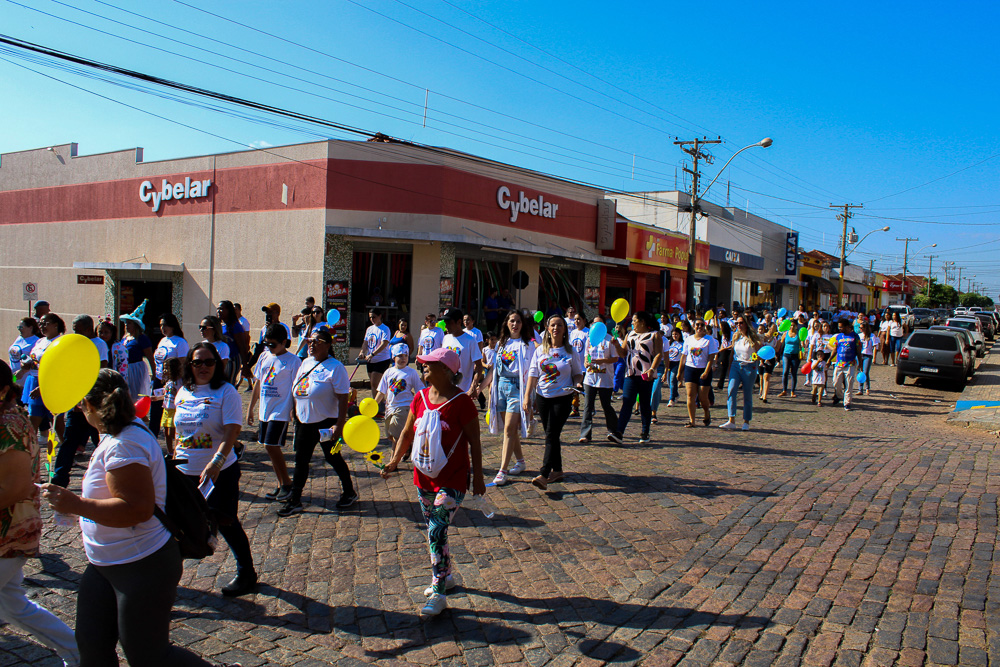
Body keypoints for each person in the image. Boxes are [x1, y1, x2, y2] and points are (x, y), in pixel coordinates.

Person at [40, 369, 218, 665]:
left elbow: (136, 510)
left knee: (149, 657)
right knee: (92, 647)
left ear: (89, 404)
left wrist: (76, 504)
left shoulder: (124, 443)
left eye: (80, 404)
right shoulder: (120, 432)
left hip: (141, 563)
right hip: (105, 563)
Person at [380, 348, 485, 618]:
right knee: (435, 531)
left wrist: (479, 478)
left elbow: (474, 442)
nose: (423, 366)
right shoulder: (420, 398)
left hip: (453, 479)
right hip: (423, 477)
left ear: (447, 370)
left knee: (437, 529)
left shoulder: (462, 402)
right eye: (423, 363)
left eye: (430, 364)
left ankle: (438, 592)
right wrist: (394, 461)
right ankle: (446, 576)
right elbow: (406, 433)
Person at [0, 361, 80, 667]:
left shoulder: (9, 423)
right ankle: (79, 653)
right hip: (10, 530)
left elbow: (14, 486)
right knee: (12, 606)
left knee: (11, 605)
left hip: (9, 530)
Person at [174, 343, 257, 596]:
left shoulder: (226, 391)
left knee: (226, 523)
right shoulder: (183, 391)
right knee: (179, 527)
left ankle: (246, 573)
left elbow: (232, 430)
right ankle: (167, 581)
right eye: (197, 362)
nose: (203, 367)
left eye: (209, 362)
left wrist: (217, 461)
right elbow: (179, 430)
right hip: (185, 472)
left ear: (217, 365)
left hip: (219, 472)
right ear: (190, 365)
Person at [279, 329, 356, 517]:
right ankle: (295, 499)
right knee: (301, 460)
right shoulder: (305, 363)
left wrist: (339, 424)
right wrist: (294, 408)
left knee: (333, 457)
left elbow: (343, 398)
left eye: (316, 341)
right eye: (309, 341)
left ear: (328, 345)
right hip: (304, 422)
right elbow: (297, 387)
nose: (311, 344)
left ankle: (349, 491)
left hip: (326, 424)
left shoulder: (336, 367)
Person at [524, 315, 583, 489]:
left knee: (551, 434)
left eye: (559, 325)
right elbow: (533, 374)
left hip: (563, 398)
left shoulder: (571, 351)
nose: (556, 328)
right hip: (543, 397)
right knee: (552, 434)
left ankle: (544, 474)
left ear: (564, 329)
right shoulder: (540, 350)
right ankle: (557, 470)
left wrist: (578, 383)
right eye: (553, 325)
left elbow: (578, 373)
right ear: (548, 329)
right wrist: (527, 397)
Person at [51, 315, 109, 489]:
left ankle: (107, 476)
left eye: (78, 330)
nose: (75, 333)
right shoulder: (76, 344)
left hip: (93, 402)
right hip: (77, 401)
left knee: (101, 440)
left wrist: (89, 397)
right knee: (69, 440)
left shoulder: (99, 344)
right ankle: (59, 478)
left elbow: (101, 369)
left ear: (88, 329)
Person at [248, 324, 302, 502]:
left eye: (273, 344)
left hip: (280, 410)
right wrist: (251, 408)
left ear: (283, 342)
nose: (269, 347)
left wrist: (295, 409)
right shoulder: (264, 356)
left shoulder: (293, 361)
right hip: (265, 409)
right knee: (267, 446)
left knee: (271, 445)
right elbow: (258, 383)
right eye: (267, 344)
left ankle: (287, 482)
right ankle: (281, 484)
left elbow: (296, 388)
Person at [486, 310, 535, 486]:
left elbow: (532, 371)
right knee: (511, 431)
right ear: (506, 323)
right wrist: (481, 388)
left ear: (523, 324)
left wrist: (528, 396)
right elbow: (494, 370)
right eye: (512, 321)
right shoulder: (502, 343)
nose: (515, 324)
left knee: (508, 428)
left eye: (518, 321)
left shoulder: (528, 345)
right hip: (501, 388)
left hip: (517, 388)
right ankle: (520, 461)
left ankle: (502, 470)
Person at [608, 312, 661, 445]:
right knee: (627, 402)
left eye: (634, 320)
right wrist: (616, 345)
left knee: (644, 403)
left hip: (646, 375)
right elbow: (623, 353)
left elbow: (658, 354)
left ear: (642, 322)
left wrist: (652, 369)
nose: (632, 323)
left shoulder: (654, 335)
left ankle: (645, 431)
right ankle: (619, 432)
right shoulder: (629, 334)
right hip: (631, 374)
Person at [15, 313, 64, 441]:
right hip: (34, 380)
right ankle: (29, 448)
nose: (42, 326)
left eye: (45, 323)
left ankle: (67, 448)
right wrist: (24, 367)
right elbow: (35, 361)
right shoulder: (40, 341)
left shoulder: (60, 342)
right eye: (40, 324)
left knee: (57, 422)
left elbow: (58, 368)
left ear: (55, 325)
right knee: (32, 421)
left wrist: (43, 387)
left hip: (50, 383)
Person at [579, 314, 618, 444]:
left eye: (599, 323)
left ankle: (613, 430)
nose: (596, 326)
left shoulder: (609, 340)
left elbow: (615, 358)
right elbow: (586, 355)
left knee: (606, 405)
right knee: (588, 406)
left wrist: (603, 361)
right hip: (590, 378)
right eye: (594, 324)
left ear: (604, 325)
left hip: (605, 379)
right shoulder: (589, 339)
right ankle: (585, 434)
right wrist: (586, 362)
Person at [376, 343, 423, 449]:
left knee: (397, 437)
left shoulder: (411, 372)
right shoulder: (388, 372)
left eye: (406, 355)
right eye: (400, 356)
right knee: (390, 435)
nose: (403, 358)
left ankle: (395, 457)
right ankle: (407, 447)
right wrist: (374, 404)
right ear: (394, 357)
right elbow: (381, 391)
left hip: (404, 408)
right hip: (390, 408)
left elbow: (419, 390)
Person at [150, 313, 188, 437]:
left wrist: (173, 377)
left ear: (172, 326)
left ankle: (175, 437)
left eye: (165, 325)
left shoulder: (180, 342)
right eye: (161, 325)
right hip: (159, 378)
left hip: (173, 381)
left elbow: (182, 362)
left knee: (170, 410)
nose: (163, 328)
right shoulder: (162, 341)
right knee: (155, 408)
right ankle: (152, 435)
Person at [720, 315, 761, 431]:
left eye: (741, 323)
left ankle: (746, 421)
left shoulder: (753, 338)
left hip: (749, 366)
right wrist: (730, 367)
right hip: (736, 365)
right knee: (731, 390)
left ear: (746, 324)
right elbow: (732, 353)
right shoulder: (735, 336)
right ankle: (731, 420)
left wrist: (757, 357)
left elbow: (760, 353)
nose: (738, 325)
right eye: (737, 323)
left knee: (747, 394)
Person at [680, 318, 718, 427]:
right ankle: (692, 420)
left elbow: (711, 358)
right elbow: (684, 356)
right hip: (690, 369)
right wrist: (680, 371)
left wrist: (706, 371)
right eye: (697, 324)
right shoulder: (689, 339)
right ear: (694, 326)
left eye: (701, 325)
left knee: (702, 397)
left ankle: (706, 412)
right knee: (690, 395)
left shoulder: (709, 339)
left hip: (703, 370)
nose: (699, 327)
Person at [441, 309, 484, 398]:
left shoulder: (470, 340)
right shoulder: (446, 338)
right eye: (445, 323)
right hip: (446, 389)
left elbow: (479, 366)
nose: (446, 326)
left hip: (463, 391)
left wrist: (473, 386)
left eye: (449, 323)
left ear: (459, 322)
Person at [120, 300, 154, 402]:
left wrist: (154, 373)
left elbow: (150, 357)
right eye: (126, 323)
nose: (126, 325)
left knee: (135, 396)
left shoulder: (142, 338)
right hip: (124, 369)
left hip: (135, 369)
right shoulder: (125, 338)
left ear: (136, 325)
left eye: (129, 323)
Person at [830, 319, 862, 410]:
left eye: (841, 327)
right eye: (839, 327)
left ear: (847, 326)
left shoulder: (855, 336)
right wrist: (829, 360)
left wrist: (860, 363)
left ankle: (847, 403)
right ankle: (840, 396)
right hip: (839, 363)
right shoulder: (838, 336)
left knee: (849, 384)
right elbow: (835, 349)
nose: (839, 328)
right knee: (835, 382)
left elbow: (858, 351)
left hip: (850, 364)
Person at [361, 309, 392, 400]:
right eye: (370, 317)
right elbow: (365, 343)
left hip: (381, 360)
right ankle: (379, 402)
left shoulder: (385, 329)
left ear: (379, 316)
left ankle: (378, 404)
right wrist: (362, 352)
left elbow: (384, 343)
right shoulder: (369, 329)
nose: (372, 319)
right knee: (373, 384)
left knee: (375, 383)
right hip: (370, 360)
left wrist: (373, 354)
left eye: (374, 317)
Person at [218, 301, 249, 387]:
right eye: (218, 308)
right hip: (221, 359)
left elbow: (242, 346)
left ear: (228, 310)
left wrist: (245, 365)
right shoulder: (221, 326)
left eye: (221, 309)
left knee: (228, 384)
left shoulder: (235, 326)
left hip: (232, 359)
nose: (218, 311)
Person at [156, 358, 182, 457]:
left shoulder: (179, 382)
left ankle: (176, 450)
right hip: (166, 408)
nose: (164, 370)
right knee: (165, 431)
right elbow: (167, 394)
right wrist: (157, 398)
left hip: (174, 409)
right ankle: (169, 452)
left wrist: (176, 393)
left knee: (172, 432)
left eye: (167, 368)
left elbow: (181, 394)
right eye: (164, 368)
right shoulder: (168, 381)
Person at [568, 313, 589, 418]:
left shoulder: (587, 332)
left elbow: (589, 348)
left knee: (584, 389)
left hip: (584, 366)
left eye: (579, 319)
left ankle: (590, 407)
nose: (576, 321)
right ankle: (575, 409)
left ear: (584, 320)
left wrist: (588, 361)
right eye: (575, 319)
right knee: (574, 389)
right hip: (575, 365)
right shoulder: (572, 333)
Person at [777, 322, 802, 398]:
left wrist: (802, 350)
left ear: (796, 326)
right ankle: (784, 390)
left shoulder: (799, 334)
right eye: (791, 325)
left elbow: (801, 345)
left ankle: (792, 391)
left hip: (795, 356)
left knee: (793, 373)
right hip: (786, 355)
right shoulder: (785, 333)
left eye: (794, 325)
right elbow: (781, 343)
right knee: (785, 372)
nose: (792, 327)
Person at [662, 327, 684, 408]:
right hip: (669, 363)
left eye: (676, 334)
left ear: (679, 335)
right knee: (669, 382)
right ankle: (676, 394)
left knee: (672, 380)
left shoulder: (682, 344)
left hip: (677, 363)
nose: (674, 336)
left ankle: (671, 399)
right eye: (673, 334)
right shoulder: (669, 342)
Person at [858, 321, 878, 395]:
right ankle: (860, 389)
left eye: (862, 328)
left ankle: (867, 388)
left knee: (865, 372)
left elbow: (875, 346)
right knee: (860, 372)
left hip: (868, 355)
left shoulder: (872, 336)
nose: (860, 329)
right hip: (860, 355)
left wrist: (874, 357)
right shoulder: (859, 335)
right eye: (860, 327)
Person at [715, 321, 733, 390]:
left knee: (729, 368)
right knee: (722, 368)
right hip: (723, 351)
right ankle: (720, 385)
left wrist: (724, 348)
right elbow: (723, 343)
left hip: (729, 351)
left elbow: (732, 345)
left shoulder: (731, 334)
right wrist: (720, 350)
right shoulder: (723, 334)